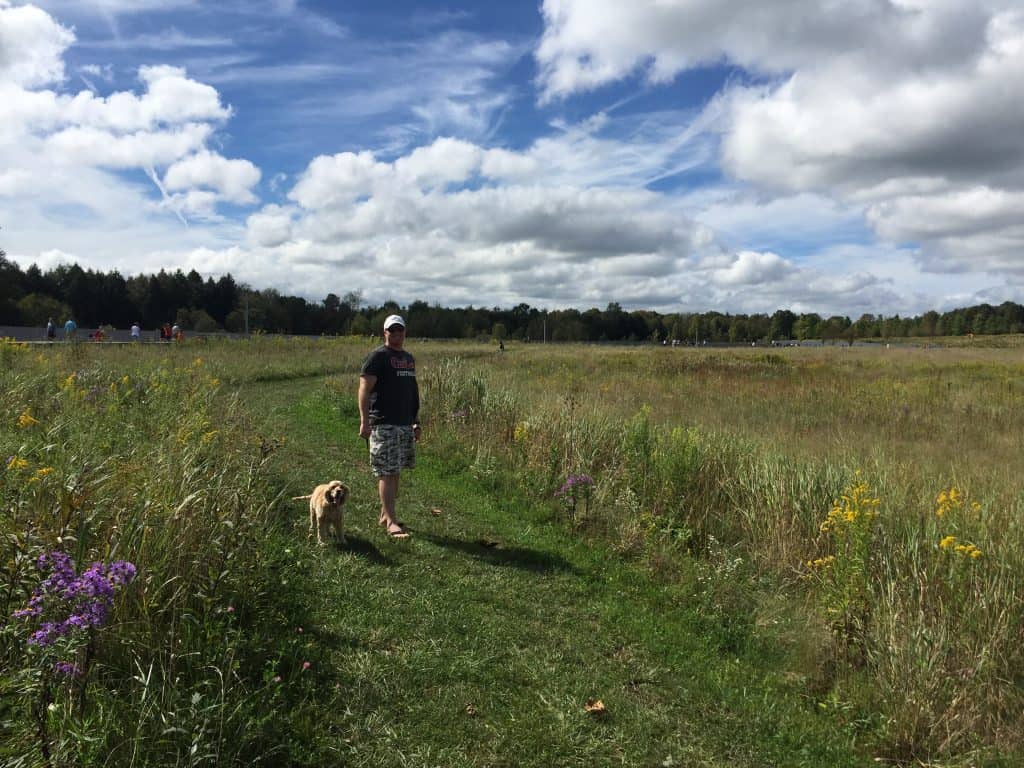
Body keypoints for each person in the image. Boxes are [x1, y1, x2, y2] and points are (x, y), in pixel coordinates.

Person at [358, 314, 420, 539]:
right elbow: (364, 389)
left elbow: (412, 391)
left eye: (400, 330)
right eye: (391, 330)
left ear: (405, 332)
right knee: (386, 471)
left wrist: (415, 421)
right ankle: (391, 522)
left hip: (404, 423)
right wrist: (365, 421)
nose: (396, 334)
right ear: (384, 333)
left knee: (396, 472)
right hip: (383, 423)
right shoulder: (377, 357)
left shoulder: (408, 358)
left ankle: (386, 514)